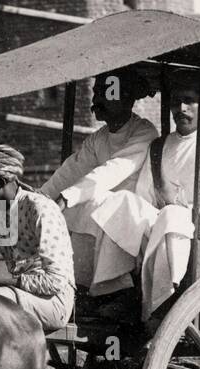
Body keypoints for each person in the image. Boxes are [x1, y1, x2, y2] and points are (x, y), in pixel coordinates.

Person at [91, 76, 200, 320]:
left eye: (190, 101)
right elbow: (143, 198)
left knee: (173, 214)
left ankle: (166, 300)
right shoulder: (159, 147)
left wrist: (189, 210)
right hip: (161, 227)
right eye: (177, 103)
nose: (182, 109)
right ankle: (117, 290)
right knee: (119, 201)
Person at [40, 66, 158, 291]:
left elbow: (113, 170)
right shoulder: (98, 139)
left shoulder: (144, 132)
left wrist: (70, 196)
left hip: (137, 214)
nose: (97, 99)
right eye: (97, 93)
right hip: (106, 205)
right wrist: (42, 198)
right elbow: (71, 170)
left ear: (127, 99)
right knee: (71, 210)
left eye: (107, 93)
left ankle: (114, 289)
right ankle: (76, 284)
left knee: (105, 204)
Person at [0, 139, 75, 331]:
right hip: (13, 294)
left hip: (53, 302)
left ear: (1, 179)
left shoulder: (40, 208)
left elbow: (55, 282)